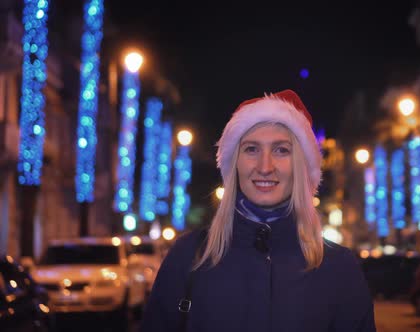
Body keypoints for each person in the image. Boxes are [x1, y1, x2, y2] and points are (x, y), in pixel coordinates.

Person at [140, 89, 376, 332]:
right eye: (251, 149)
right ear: (235, 164)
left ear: (301, 165)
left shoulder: (339, 268)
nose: (265, 167)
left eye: (281, 150)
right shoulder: (188, 257)